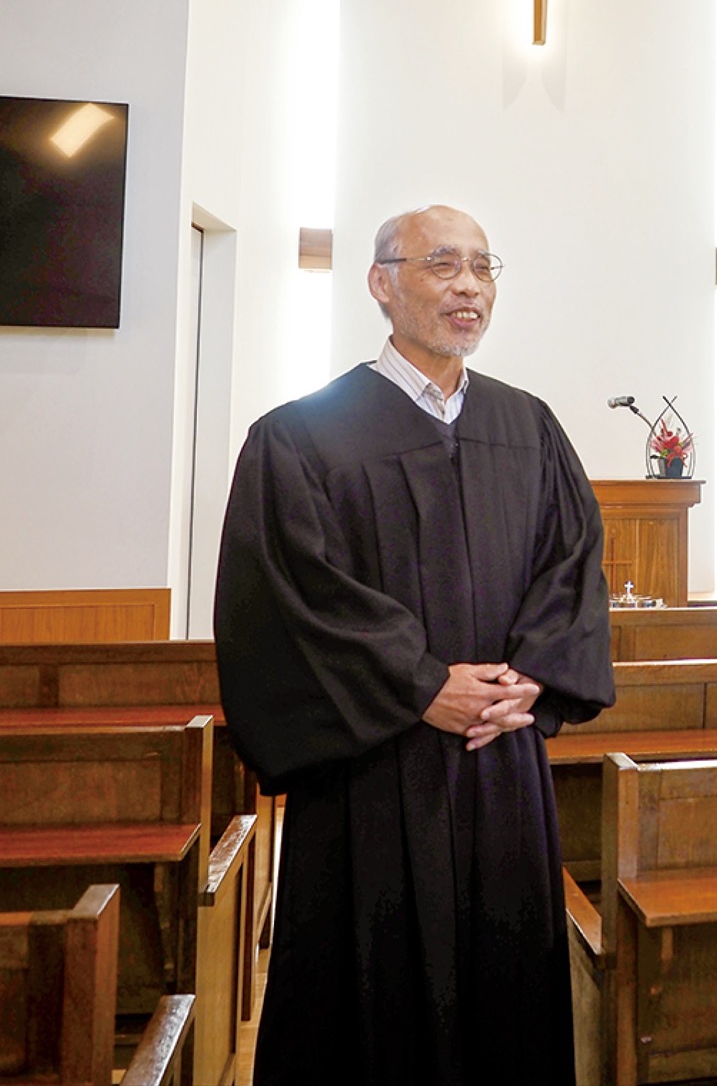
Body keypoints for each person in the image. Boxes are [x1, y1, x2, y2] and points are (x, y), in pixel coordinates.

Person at [214, 204, 615, 1086]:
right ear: (382, 283)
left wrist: (534, 676)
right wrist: (420, 683)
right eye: (442, 263)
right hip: (372, 772)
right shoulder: (301, 435)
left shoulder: (529, 425)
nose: (468, 285)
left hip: (502, 761)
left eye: (482, 266)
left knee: (507, 998)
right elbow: (290, 597)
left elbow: (573, 561)